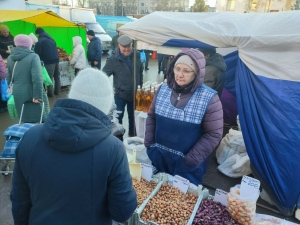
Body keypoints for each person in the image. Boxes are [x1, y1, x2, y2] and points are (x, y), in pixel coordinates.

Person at [10, 68, 137, 225]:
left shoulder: (30, 138)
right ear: (106, 105)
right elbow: (122, 212)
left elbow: (19, 203)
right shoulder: (113, 149)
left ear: (72, 95)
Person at [144, 48, 223, 185]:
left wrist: (191, 159)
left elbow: (213, 134)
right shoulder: (163, 89)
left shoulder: (209, 98)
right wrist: (149, 144)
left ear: (197, 73)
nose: (180, 74)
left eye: (186, 71)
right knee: (157, 200)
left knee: (181, 203)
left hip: (187, 167)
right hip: (160, 159)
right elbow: (152, 117)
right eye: (177, 68)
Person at [103, 35, 143, 137]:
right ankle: (118, 138)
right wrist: (110, 89)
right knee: (118, 117)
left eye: (128, 46)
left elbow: (140, 72)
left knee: (133, 117)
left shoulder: (136, 55)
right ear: (118, 46)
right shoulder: (113, 59)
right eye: (123, 46)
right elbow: (102, 76)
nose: (126, 49)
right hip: (120, 94)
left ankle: (132, 135)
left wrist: (140, 87)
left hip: (134, 94)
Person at [6, 34, 50, 122]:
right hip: (32, 91)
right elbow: (37, 78)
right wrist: (37, 95)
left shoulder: (10, 57)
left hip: (18, 91)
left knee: (25, 117)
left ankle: (29, 135)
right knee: (41, 117)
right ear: (29, 44)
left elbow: (9, 77)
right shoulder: (33, 57)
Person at [34, 27, 60, 97]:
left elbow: (37, 53)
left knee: (49, 77)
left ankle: (50, 93)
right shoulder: (51, 38)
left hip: (48, 61)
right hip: (56, 60)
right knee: (57, 76)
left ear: (38, 34)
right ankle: (57, 91)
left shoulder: (40, 41)